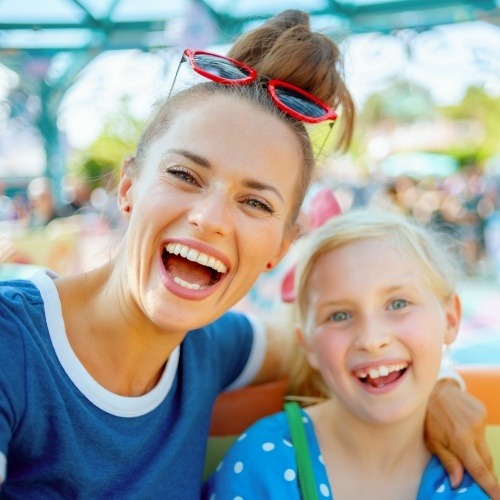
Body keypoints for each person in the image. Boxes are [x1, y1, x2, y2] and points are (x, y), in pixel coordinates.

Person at [0, 10, 497, 499]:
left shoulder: (209, 350)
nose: (211, 217)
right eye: (184, 175)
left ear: (280, 246)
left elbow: (341, 336)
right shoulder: (12, 343)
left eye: (255, 202)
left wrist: (442, 385)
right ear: (129, 186)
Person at [204, 209, 491, 499]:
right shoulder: (265, 463)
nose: (371, 339)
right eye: (340, 315)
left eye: (398, 303)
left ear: (451, 319)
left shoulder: (469, 477)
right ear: (308, 346)